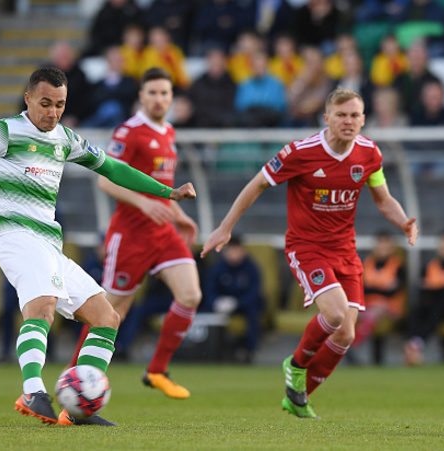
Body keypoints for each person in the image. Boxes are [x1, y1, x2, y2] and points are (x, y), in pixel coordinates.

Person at [0, 66, 196, 426]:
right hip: (16, 239)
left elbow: (113, 168)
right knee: (43, 309)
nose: (52, 112)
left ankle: (79, 410)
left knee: (107, 318)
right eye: (45, 103)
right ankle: (33, 391)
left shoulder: (65, 139)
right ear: (29, 98)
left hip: (50, 244)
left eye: (60, 105)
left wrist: (167, 191)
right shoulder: (2, 132)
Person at [202, 87, 418, 419]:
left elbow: (383, 198)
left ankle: (298, 397)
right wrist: (226, 226)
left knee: (345, 334)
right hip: (307, 248)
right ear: (327, 118)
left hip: (346, 250)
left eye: (355, 115)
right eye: (341, 115)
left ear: (363, 119)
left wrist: (403, 221)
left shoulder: (369, 153)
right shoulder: (300, 152)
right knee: (333, 315)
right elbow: (257, 183)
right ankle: (296, 364)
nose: (348, 121)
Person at [67, 67, 201, 399]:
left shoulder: (168, 131)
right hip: (131, 236)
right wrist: (143, 204)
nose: (159, 99)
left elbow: (162, 189)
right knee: (111, 314)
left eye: (165, 93)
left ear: (172, 98)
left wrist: (180, 215)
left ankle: (156, 370)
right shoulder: (129, 132)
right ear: (141, 96)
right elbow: (105, 180)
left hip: (164, 231)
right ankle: (76, 383)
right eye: (152, 92)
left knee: (190, 295)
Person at [404, 232, 444, 366]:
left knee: (440, 305)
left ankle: (416, 344)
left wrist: (433, 288)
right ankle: (414, 343)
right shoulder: (431, 265)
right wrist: (441, 289)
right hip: (432, 304)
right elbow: (420, 287)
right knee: (417, 310)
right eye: (443, 246)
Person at [204, 235, 263, 363]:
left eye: (236, 250)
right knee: (205, 310)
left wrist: (237, 303)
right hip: (221, 304)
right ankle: (211, 350)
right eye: (231, 250)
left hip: (243, 305)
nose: (233, 254)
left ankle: (250, 351)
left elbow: (254, 293)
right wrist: (216, 302)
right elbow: (209, 290)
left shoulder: (251, 268)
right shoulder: (218, 268)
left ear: (243, 250)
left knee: (254, 312)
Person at [352, 231, 406, 349]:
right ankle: (341, 344)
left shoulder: (398, 265)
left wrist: (374, 289)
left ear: (392, 247)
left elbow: (393, 291)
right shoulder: (368, 263)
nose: (383, 247)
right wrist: (382, 288)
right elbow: (362, 288)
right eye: (380, 243)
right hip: (368, 303)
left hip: (391, 307)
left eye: (386, 244)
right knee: (349, 313)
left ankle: (354, 345)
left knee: (373, 313)